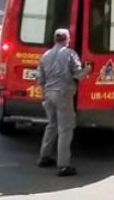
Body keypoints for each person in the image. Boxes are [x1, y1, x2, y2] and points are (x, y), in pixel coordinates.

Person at [36, 28, 91, 177]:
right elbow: (78, 75)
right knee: (65, 129)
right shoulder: (70, 54)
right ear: (67, 39)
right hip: (63, 95)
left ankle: (44, 157)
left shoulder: (45, 55)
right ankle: (63, 166)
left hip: (48, 95)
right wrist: (88, 69)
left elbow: (39, 79)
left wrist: (44, 94)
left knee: (51, 125)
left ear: (55, 39)